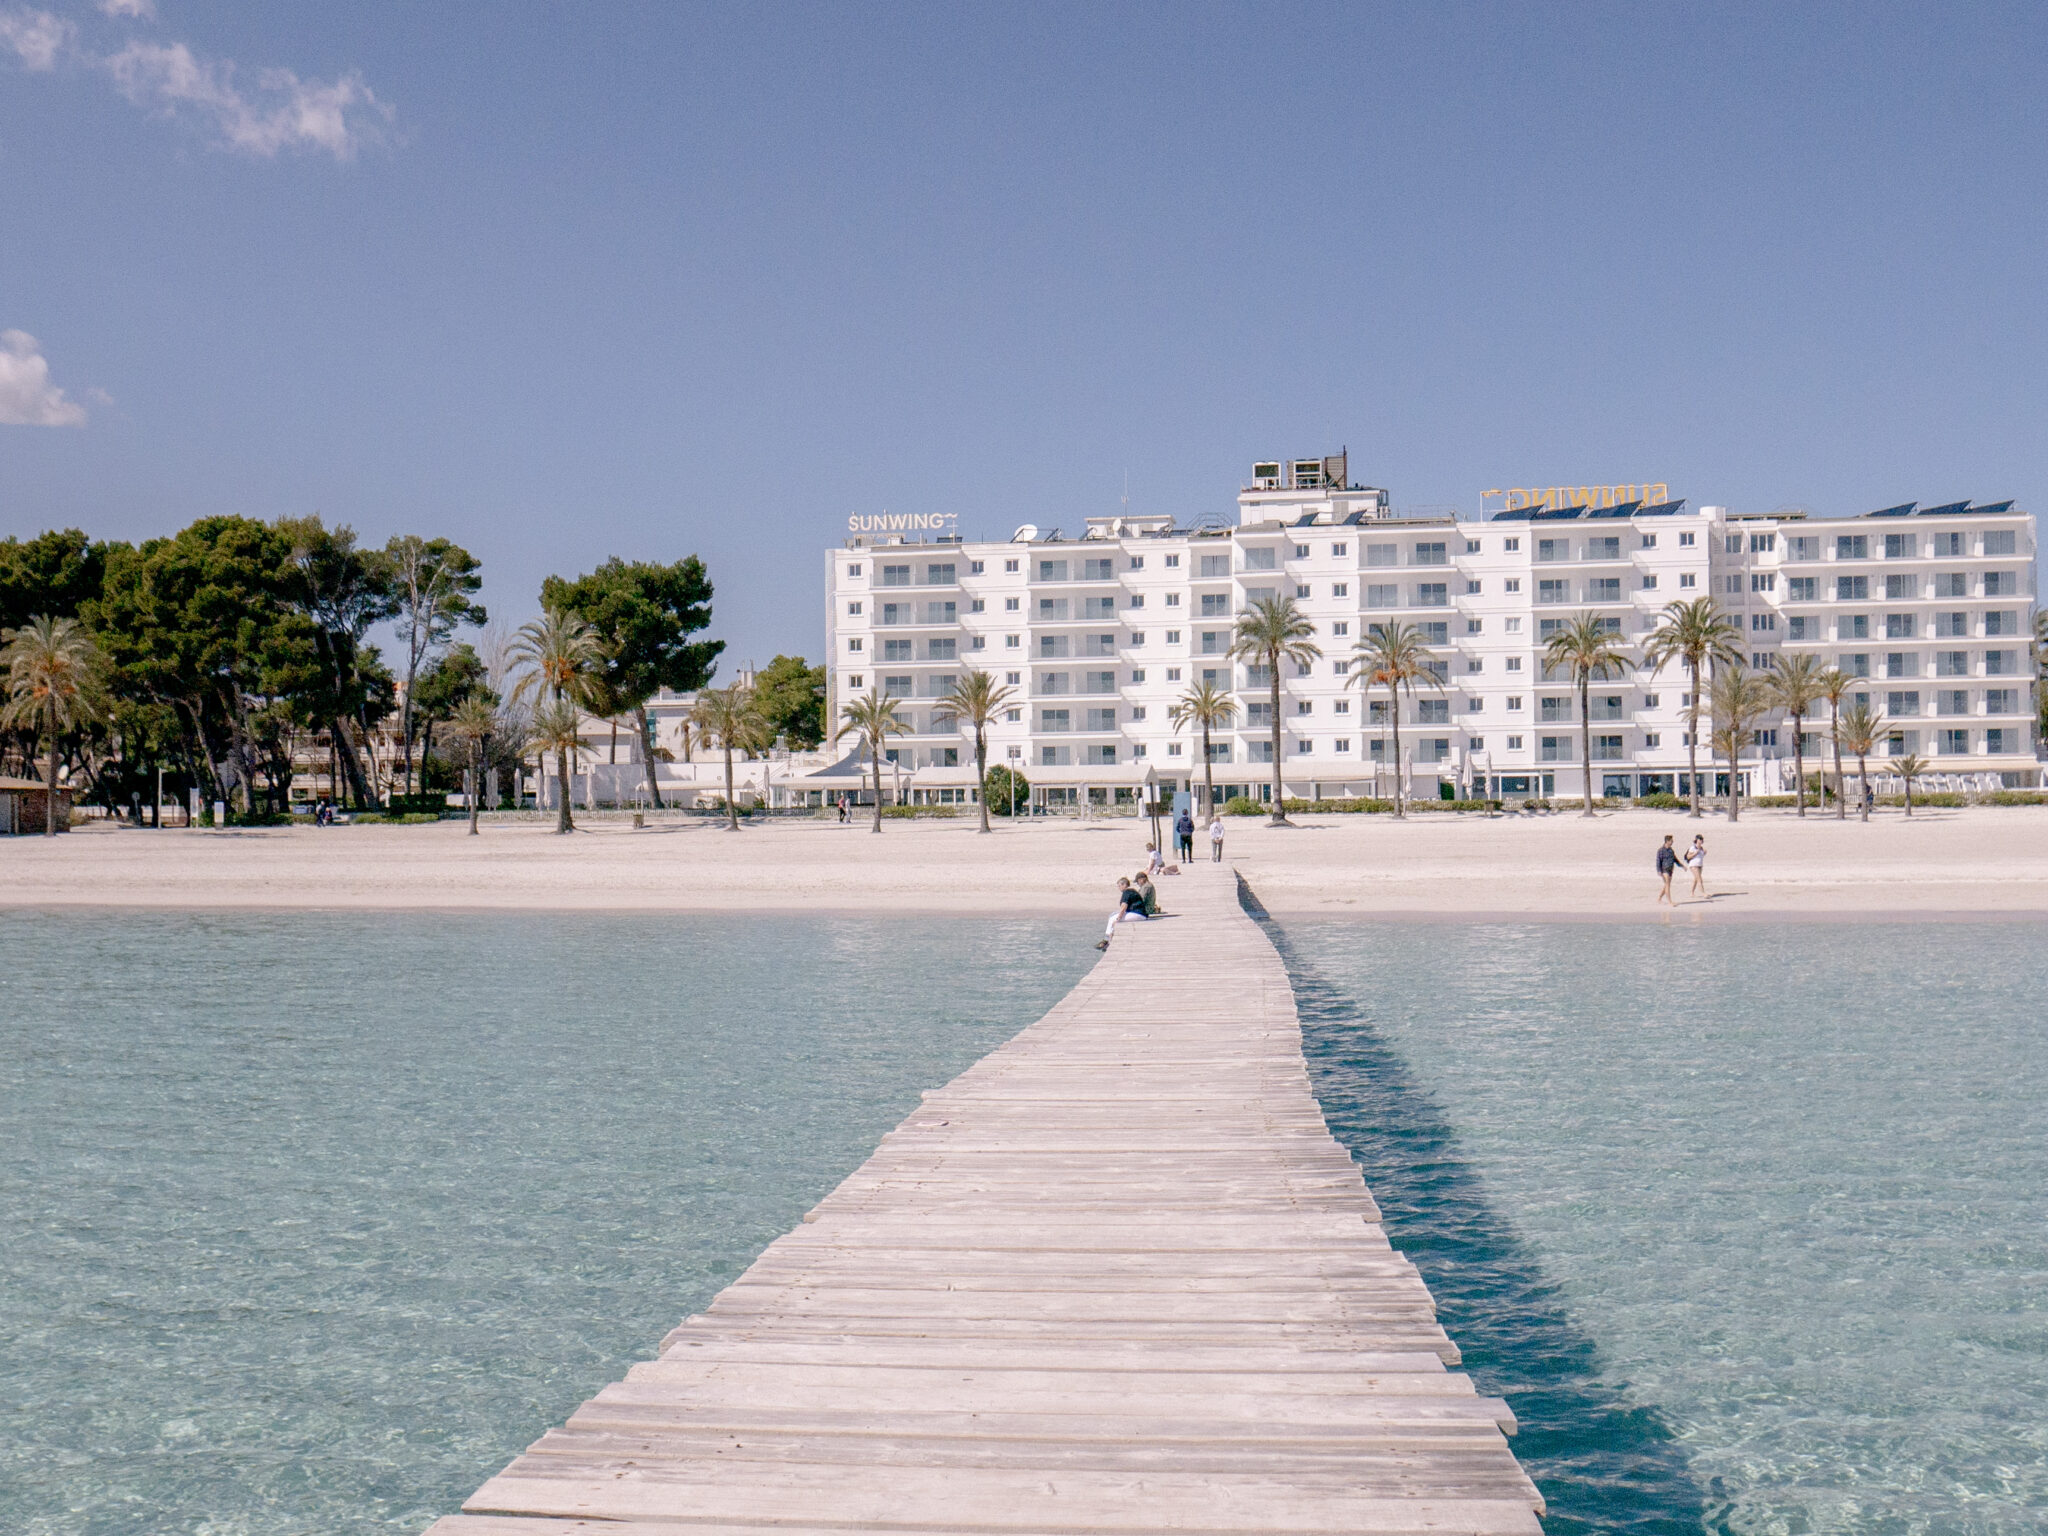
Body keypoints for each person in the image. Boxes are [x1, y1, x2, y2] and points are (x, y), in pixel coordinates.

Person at [1097, 877, 1148, 948]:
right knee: (1113, 914)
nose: (1119, 888)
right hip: (1141, 913)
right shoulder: (1132, 891)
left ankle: (1106, 940)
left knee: (1112, 918)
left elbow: (1124, 907)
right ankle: (1109, 938)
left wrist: (1118, 919)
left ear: (1124, 885)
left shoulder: (1126, 892)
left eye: (1119, 886)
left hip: (1138, 914)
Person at [1655, 833, 1678, 905]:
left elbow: (1675, 859)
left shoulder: (1671, 850)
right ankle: (1670, 901)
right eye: (1671, 840)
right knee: (1667, 884)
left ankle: (1659, 898)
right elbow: (1658, 860)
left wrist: (1682, 866)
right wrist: (1659, 870)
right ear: (1667, 841)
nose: (1672, 842)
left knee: (1666, 885)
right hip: (1664, 869)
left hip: (1670, 869)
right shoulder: (1661, 850)